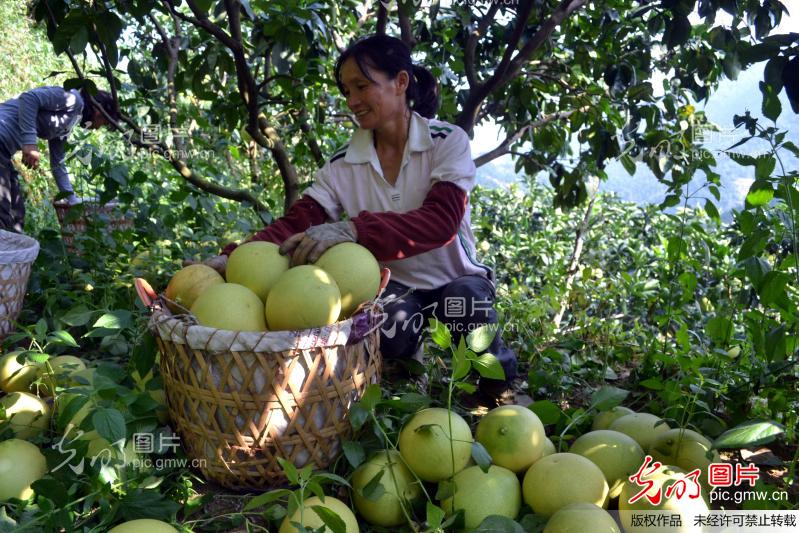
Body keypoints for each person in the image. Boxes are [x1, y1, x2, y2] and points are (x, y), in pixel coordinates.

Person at [204, 34, 518, 399]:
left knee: (468, 308)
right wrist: (231, 258)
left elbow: (442, 220)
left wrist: (353, 228)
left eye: (362, 86)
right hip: (394, 284)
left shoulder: (447, 141)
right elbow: (297, 222)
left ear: (401, 82)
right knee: (384, 333)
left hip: (454, 277)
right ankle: (406, 366)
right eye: (346, 90)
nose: (352, 101)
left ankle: (500, 386)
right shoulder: (343, 164)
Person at [0, 86, 119, 232]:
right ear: (99, 111)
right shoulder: (73, 99)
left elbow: (58, 163)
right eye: (105, 124)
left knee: (16, 215)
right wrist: (30, 142)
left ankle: (14, 252)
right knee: (3, 212)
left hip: (4, 153)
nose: (98, 128)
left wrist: (73, 202)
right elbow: (29, 98)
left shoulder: (70, 121)